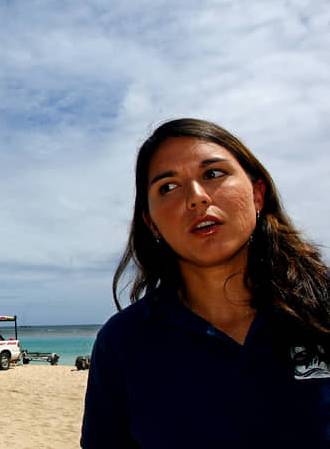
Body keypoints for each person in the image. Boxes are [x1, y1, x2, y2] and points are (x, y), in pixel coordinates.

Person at [81, 118, 330, 448]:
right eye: (168, 187)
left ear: (258, 194)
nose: (196, 198)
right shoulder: (123, 343)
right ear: (151, 223)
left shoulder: (322, 311)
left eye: (213, 174)